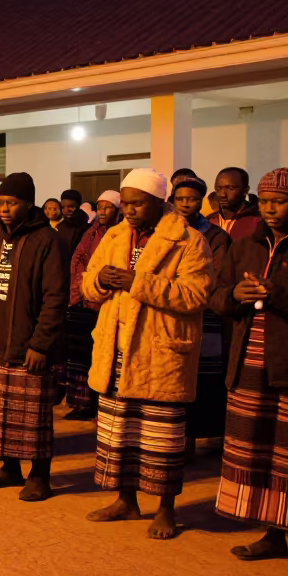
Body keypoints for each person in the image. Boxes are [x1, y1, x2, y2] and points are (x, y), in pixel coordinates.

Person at [80, 168, 211, 540]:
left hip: (159, 353)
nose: (129, 210)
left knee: (161, 438)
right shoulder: (114, 235)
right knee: (120, 433)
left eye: (138, 204)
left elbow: (196, 295)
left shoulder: (188, 240)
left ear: (159, 202)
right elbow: (87, 283)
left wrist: (137, 282)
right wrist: (99, 281)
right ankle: (126, 500)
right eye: (126, 203)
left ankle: (166, 509)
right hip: (116, 348)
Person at [0, 172, 67, 502]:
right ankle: (9, 468)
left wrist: (41, 343)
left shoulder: (47, 240)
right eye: (0, 203)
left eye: (11, 203)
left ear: (28, 204)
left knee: (33, 415)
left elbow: (55, 296)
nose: (4, 209)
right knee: (1, 410)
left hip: (29, 341)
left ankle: (40, 476)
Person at [210, 167, 288, 560]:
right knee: (259, 452)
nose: (271, 209)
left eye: (281, 202)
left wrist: (279, 293)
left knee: (287, 455)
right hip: (248, 364)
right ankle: (272, 534)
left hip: (287, 366)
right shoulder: (244, 245)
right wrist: (233, 295)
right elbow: (215, 294)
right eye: (267, 202)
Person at [171, 176, 232, 454]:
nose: (186, 204)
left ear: (202, 201)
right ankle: (176, 439)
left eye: (192, 199)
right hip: (171, 311)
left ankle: (194, 439)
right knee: (174, 375)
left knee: (202, 378)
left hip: (204, 313)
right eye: (180, 198)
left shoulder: (216, 236)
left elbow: (215, 273)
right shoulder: (164, 232)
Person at [63, 190, 122, 420]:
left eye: (108, 207)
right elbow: (78, 259)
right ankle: (82, 404)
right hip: (84, 299)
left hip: (108, 303)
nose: (103, 211)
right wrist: (84, 285)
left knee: (105, 357)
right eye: (100, 207)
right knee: (81, 355)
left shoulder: (121, 234)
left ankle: (103, 406)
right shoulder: (91, 232)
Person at [210, 167, 261, 240]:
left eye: (230, 188)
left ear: (245, 190)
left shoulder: (257, 223)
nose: (222, 194)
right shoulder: (209, 221)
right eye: (218, 189)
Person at [57, 189, 90, 254]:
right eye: (63, 207)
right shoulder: (59, 227)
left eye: (71, 207)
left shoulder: (87, 228)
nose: (66, 210)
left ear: (79, 206)